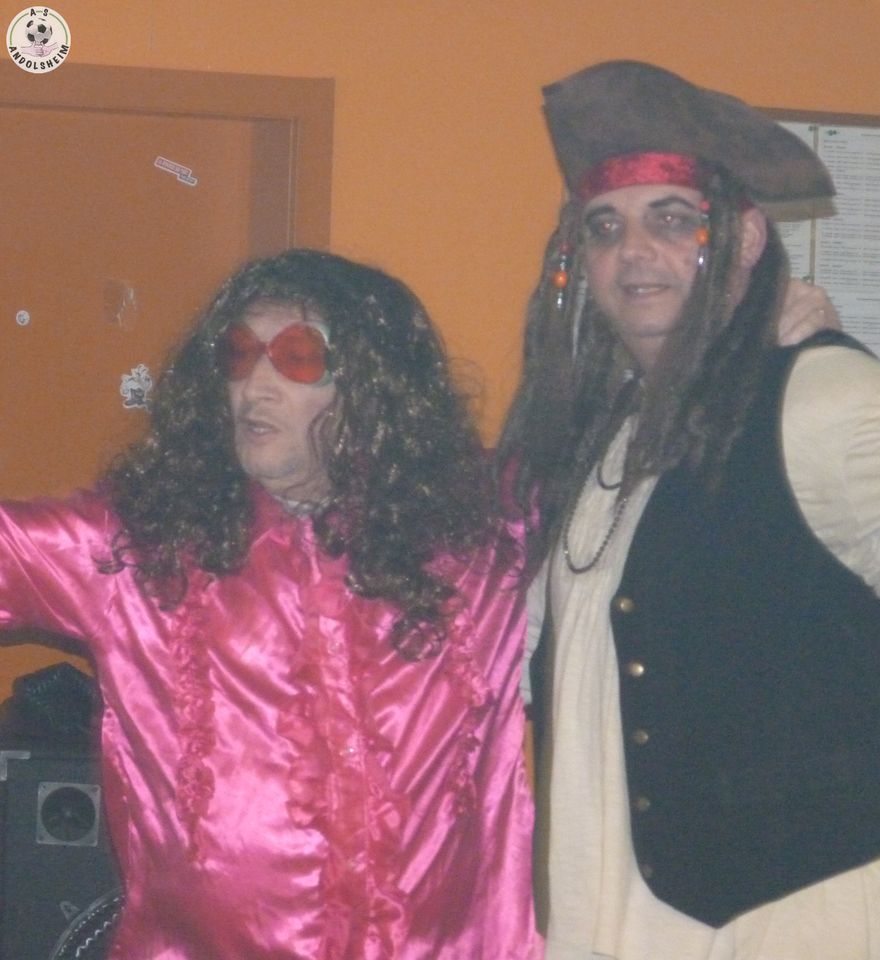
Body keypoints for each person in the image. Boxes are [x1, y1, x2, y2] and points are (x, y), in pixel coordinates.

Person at [497, 61, 880, 960]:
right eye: (606, 227)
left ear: (746, 238)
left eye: (672, 218)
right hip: (610, 910)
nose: (634, 251)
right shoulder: (592, 434)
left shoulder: (823, 393)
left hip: (787, 914)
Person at [0, 250, 540, 958]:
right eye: (238, 355)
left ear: (373, 384)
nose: (254, 386)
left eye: (297, 357)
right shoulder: (139, 548)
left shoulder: (483, 534)